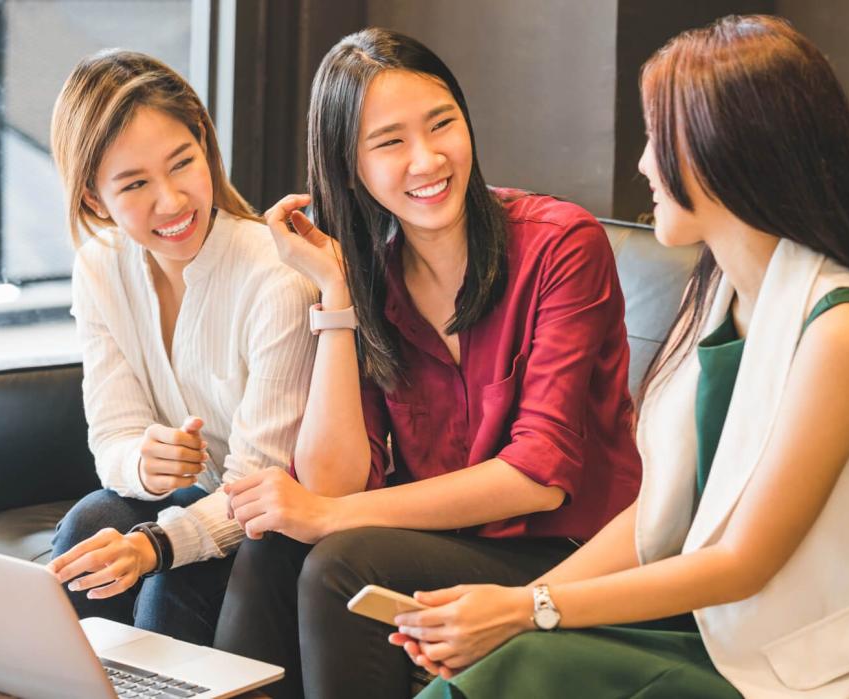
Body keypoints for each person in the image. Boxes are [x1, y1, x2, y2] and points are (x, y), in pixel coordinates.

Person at [390, 15, 849, 698]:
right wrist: (519, 607)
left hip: (799, 666)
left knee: (510, 671)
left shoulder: (845, 328)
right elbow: (658, 512)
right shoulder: (722, 295)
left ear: (731, 152)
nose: (642, 163)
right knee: (496, 663)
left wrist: (525, 609)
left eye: (660, 139)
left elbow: (743, 560)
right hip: (715, 632)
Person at [212, 28, 642, 698]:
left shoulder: (561, 245)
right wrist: (337, 298)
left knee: (341, 559)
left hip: (570, 553)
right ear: (349, 165)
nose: (428, 158)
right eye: (390, 142)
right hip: (447, 543)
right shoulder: (373, 278)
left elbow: (540, 476)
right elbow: (332, 480)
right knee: (270, 543)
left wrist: (326, 517)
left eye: (442, 123)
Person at [43, 50, 317, 646]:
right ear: (94, 199)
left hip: (280, 521)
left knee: (172, 579)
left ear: (204, 144)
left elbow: (257, 487)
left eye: (182, 164)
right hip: (208, 500)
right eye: (135, 184)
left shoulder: (277, 277)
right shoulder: (99, 268)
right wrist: (143, 462)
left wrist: (156, 545)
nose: (170, 202)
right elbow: (112, 436)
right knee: (91, 523)